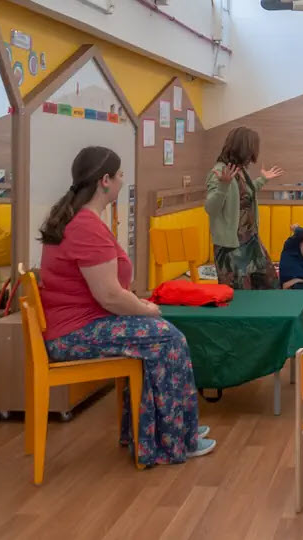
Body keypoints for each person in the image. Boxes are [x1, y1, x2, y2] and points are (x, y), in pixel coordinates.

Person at [39, 147, 214, 465]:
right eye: (120, 176)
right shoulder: (85, 227)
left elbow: (109, 293)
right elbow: (109, 296)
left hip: (77, 324)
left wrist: (139, 306)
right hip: (73, 334)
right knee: (168, 338)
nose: (122, 181)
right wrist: (144, 309)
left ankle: (169, 430)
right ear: (105, 181)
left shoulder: (81, 221)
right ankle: (174, 439)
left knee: (161, 334)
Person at [204, 126, 284, 290]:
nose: (254, 155)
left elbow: (242, 196)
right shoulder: (220, 172)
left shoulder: (239, 170)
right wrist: (223, 187)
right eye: (253, 149)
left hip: (250, 240)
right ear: (244, 148)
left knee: (270, 285)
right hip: (231, 248)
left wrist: (262, 180)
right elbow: (211, 208)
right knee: (240, 296)